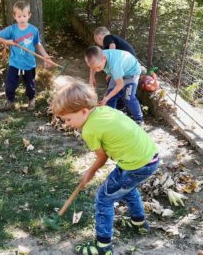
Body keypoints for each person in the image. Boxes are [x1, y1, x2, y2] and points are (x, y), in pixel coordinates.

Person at [50, 78, 159, 255]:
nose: (66, 124)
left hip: (135, 164)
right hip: (150, 157)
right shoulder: (104, 110)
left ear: (84, 111)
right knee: (127, 188)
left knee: (104, 199)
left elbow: (102, 157)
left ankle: (102, 246)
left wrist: (90, 172)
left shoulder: (90, 129)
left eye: (68, 119)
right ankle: (139, 223)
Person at [0, 0, 52, 111]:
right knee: (10, 85)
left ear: (29, 15)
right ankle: (10, 101)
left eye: (24, 16)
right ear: (14, 16)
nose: (22, 19)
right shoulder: (12, 29)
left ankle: (31, 100)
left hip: (29, 64)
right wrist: (6, 42)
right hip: (14, 63)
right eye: (19, 16)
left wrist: (45, 55)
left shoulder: (33, 30)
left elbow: (37, 44)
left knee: (30, 86)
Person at [85, 46, 143, 124]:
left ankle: (139, 119)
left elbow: (120, 85)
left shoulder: (115, 66)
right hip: (118, 72)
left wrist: (106, 98)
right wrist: (91, 78)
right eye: (95, 68)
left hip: (131, 73)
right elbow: (92, 66)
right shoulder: (98, 55)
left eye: (99, 67)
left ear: (104, 58)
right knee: (109, 98)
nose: (98, 70)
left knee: (128, 97)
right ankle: (111, 118)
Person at [93, 26, 137, 110]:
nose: (98, 44)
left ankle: (112, 105)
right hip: (128, 65)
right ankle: (120, 106)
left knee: (113, 84)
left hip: (126, 64)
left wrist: (111, 72)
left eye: (96, 41)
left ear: (99, 37)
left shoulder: (107, 38)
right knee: (121, 86)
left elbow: (112, 46)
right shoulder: (115, 39)